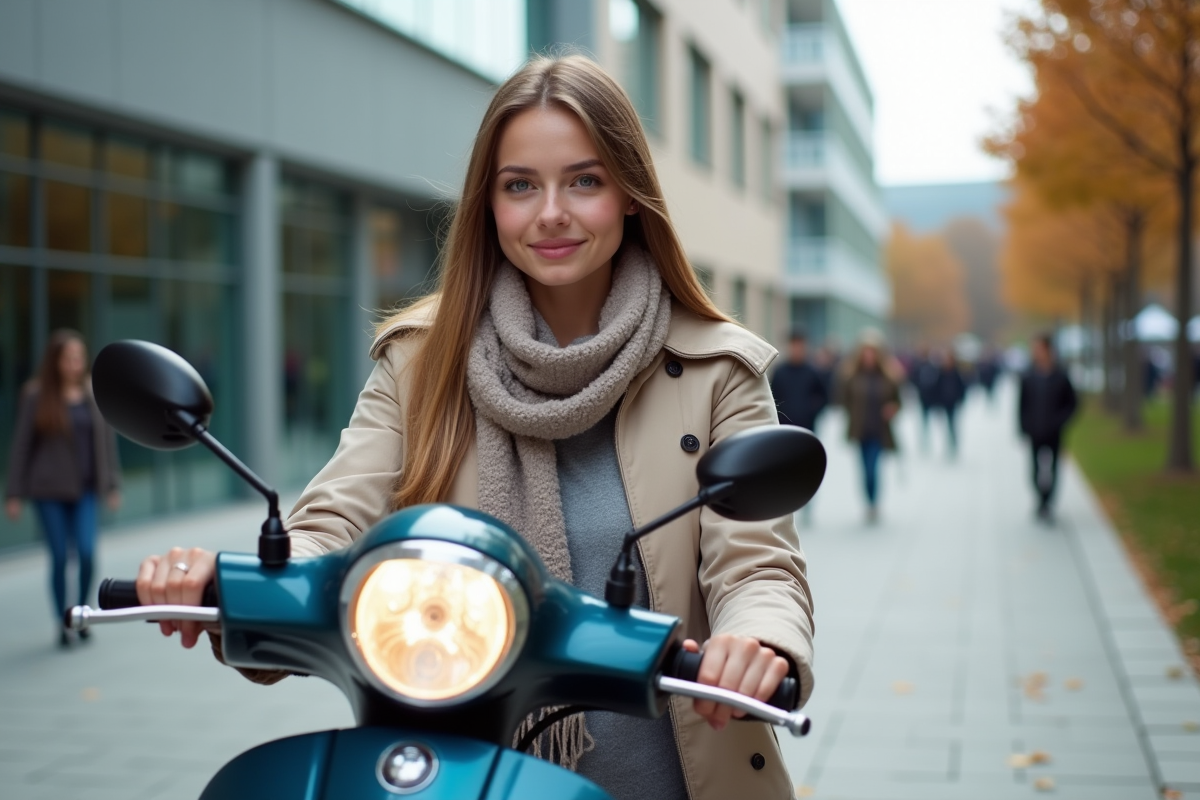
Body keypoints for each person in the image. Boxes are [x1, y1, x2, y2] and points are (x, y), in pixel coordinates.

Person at [131, 56, 813, 800]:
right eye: (520, 185)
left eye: (584, 180)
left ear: (629, 196)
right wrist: (234, 581)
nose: (550, 212)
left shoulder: (715, 369)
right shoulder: (421, 360)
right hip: (448, 777)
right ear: (488, 204)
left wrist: (757, 642)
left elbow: (757, 567)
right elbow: (332, 521)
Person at [5, 329, 121, 647]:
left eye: (79, 358)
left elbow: (105, 442)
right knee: (58, 556)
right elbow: (21, 446)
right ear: (55, 362)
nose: (74, 364)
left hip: (85, 490)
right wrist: (13, 492)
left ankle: (81, 613)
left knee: (85, 552)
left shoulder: (91, 393)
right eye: (68, 358)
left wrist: (112, 482)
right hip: (48, 491)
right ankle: (63, 622)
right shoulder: (36, 395)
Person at [838, 331, 902, 523]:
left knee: (873, 469)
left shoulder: (888, 377)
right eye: (865, 353)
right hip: (861, 431)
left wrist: (893, 408)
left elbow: (898, 401)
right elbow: (844, 401)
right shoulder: (852, 377)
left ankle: (874, 503)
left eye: (872, 353)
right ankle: (868, 502)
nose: (869, 357)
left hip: (879, 431)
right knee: (864, 469)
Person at [1019, 334, 1078, 522]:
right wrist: (1023, 427)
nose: (1036, 352)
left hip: (1054, 431)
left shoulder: (1060, 375)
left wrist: (1060, 421)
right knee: (1035, 469)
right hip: (1034, 431)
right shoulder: (1028, 375)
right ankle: (1040, 499)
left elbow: (1073, 403)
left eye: (1039, 348)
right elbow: (1022, 404)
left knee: (1052, 469)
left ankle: (1048, 503)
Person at [770, 328, 829, 432]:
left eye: (799, 345)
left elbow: (823, 397)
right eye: (794, 345)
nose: (796, 349)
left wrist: (811, 411)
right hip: (784, 427)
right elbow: (772, 397)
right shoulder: (779, 372)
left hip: (807, 427)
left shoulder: (812, 372)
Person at [932, 350, 966, 458]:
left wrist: (961, 400)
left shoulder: (956, 373)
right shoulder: (941, 372)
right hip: (944, 402)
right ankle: (948, 444)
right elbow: (937, 388)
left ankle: (954, 444)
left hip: (953, 402)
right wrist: (937, 402)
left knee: (952, 424)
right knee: (946, 425)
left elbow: (962, 387)